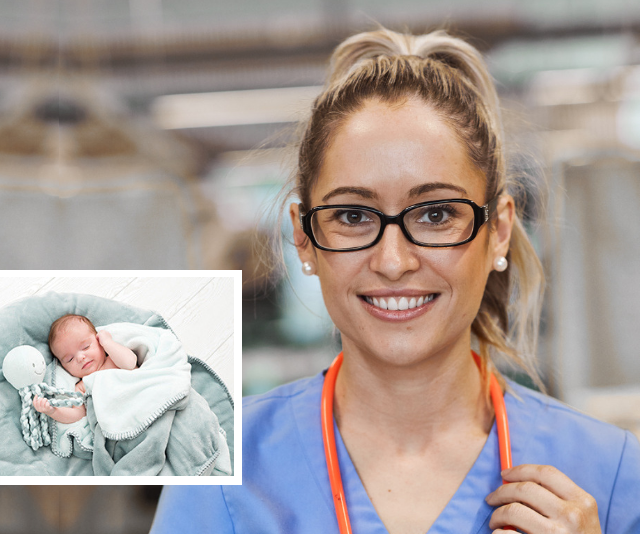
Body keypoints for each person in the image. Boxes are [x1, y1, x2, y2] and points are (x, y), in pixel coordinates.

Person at [151, 28, 640, 533]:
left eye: (435, 215)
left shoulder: (611, 475)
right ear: (303, 238)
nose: (392, 261)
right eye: (353, 216)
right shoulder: (218, 468)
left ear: (497, 231)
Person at [33, 314, 137, 424]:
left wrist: (107, 342)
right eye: (70, 359)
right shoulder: (82, 387)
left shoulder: (114, 359)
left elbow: (130, 363)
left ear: (98, 340)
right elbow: (77, 416)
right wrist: (53, 411)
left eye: (86, 347)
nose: (80, 358)